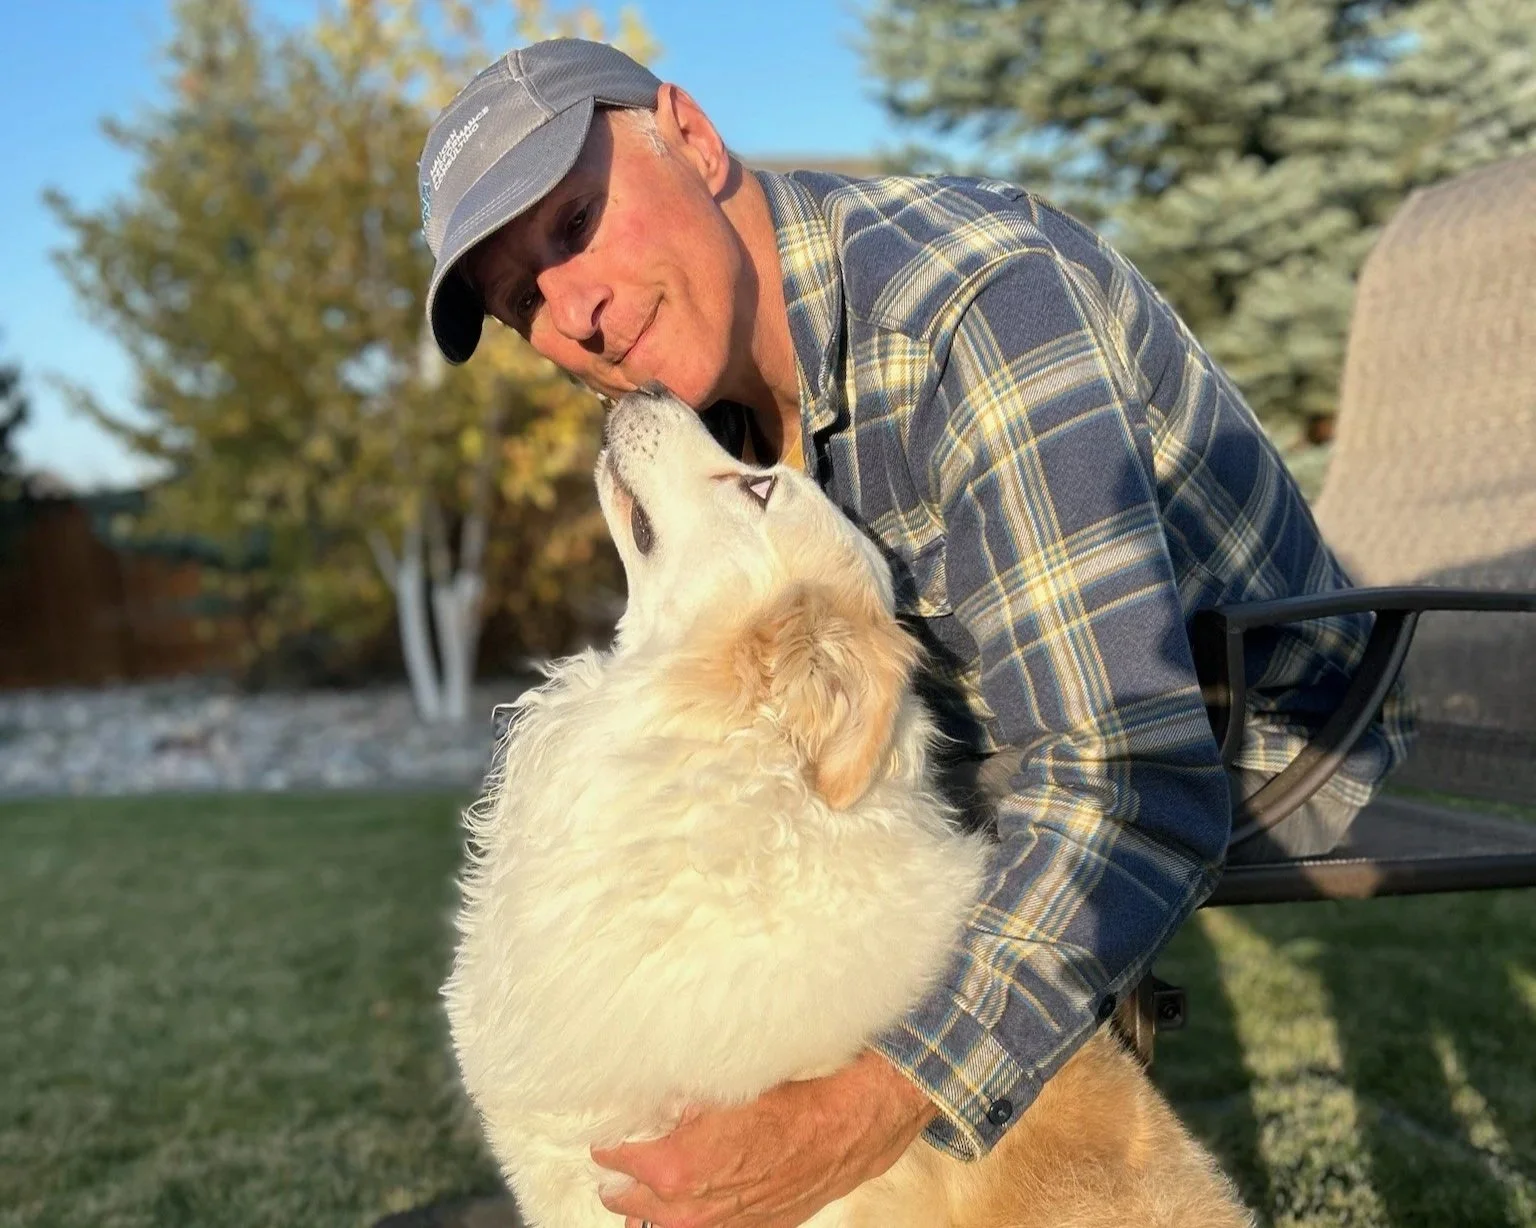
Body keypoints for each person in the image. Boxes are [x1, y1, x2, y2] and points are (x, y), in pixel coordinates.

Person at [417, 38, 1413, 1228]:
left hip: (1257, 731)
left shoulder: (975, 305)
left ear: (690, 133)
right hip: (991, 742)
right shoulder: (716, 393)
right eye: (522, 297)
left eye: (576, 220)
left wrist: (856, 1113)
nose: (570, 311)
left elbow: (1130, 769)